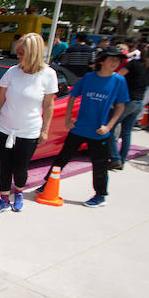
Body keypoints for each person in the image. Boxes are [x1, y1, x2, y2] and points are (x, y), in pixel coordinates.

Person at [42, 46, 129, 207]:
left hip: (99, 132)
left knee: (100, 165)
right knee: (62, 158)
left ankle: (100, 195)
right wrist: (68, 119)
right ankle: (47, 183)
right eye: (112, 59)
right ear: (102, 60)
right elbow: (73, 97)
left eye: (117, 61)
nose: (115, 63)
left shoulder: (119, 81)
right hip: (79, 128)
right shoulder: (89, 77)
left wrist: (109, 126)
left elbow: (121, 106)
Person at [0, 33, 58, 213]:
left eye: (21, 52)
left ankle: (18, 193)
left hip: (29, 130)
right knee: (4, 165)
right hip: (5, 127)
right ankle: (3, 199)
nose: (17, 54)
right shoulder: (12, 72)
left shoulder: (48, 74)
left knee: (20, 167)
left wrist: (45, 131)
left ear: (32, 53)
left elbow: (49, 106)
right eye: (17, 51)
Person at [109, 44, 149, 169]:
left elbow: (118, 75)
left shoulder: (134, 64)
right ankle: (121, 160)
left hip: (128, 101)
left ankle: (115, 158)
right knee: (127, 133)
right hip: (139, 102)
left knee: (110, 128)